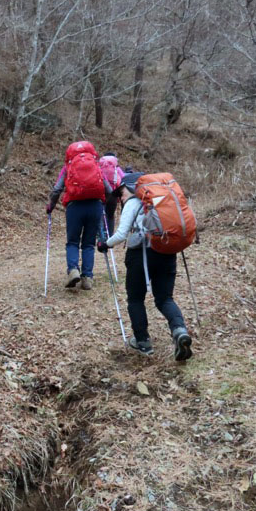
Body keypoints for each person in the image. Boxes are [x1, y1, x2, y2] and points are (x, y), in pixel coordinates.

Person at [103, 173, 193, 361]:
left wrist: (105, 244)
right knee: (164, 298)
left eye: (121, 192)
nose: (120, 197)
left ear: (129, 188)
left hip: (140, 255)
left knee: (135, 298)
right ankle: (179, 331)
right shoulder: (161, 199)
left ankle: (142, 341)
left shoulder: (133, 204)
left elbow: (121, 234)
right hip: (167, 251)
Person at [46, 141, 108, 291]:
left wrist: (50, 207)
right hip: (95, 206)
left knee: (73, 241)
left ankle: (73, 270)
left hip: (75, 207)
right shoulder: (96, 164)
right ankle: (87, 277)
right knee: (88, 243)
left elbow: (57, 189)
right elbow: (107, 187)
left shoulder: (68, 166)